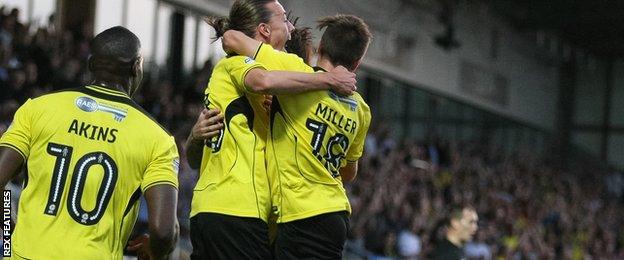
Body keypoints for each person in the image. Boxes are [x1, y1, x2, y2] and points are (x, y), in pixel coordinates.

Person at [185, 0, 357, 259]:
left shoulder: (274, 83)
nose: (290, 27)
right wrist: (328, 79)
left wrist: (195, 137)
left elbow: (193, 159)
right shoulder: (238, 64)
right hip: (239, 210)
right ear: (265, 30)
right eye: (284, 19)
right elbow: (261, 80)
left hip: (217, 210)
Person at [0, 26, 179, 259]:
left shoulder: (38, 108)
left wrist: (7, 230)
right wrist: (156, 250)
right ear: (136, 67)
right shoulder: (158, 139)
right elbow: (164, 232)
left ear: (91, 63)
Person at [222, 14, 373, 259]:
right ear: (356, 64)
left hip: (302, 214)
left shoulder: (295, 71)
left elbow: (231, 38)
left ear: (319, 48)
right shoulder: (362, 109)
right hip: (336, 215)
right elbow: (349, 172)